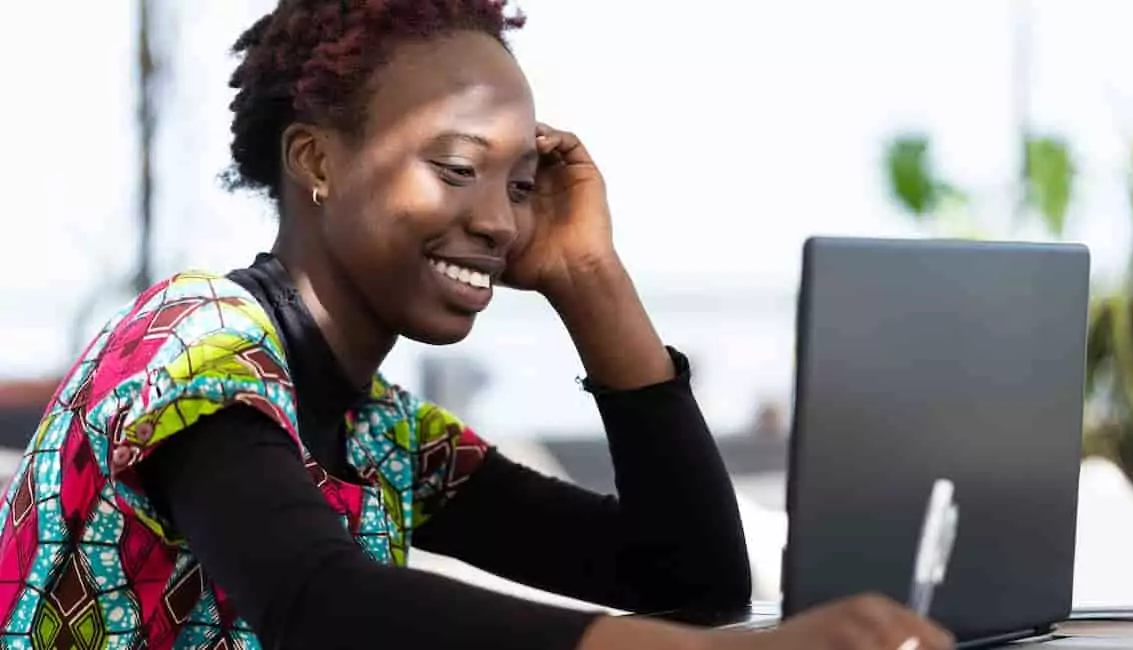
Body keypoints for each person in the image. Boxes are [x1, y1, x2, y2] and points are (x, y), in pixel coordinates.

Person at [0, 1, 956, 649]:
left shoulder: (380, 433)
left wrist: (589, 277)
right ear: (316, 162)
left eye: (520, 185)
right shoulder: (191, 340)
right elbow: (319, 603)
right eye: (457, 169)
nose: (500, 221)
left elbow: (687, 576)